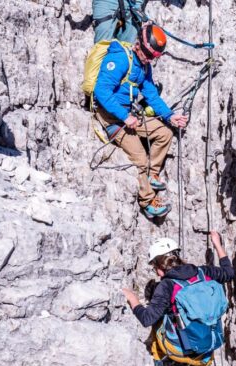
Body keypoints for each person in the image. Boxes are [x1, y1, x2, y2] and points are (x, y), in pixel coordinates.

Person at [121, 232, 234, 366]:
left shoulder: (166, 285)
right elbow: (229, 273)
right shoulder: (203, 273)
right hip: (205, 347)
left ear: (159, 267)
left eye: (155, 267)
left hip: (176, 350)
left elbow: (147, 318)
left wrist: (133, 300)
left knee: (160, 318)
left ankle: (157, 357)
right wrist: (217, 245)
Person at [93, 22, 188, 219]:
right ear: (138, 45)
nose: (150, 59)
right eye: (149, 54)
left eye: (154, 57)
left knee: (165, 133)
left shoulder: (144, 68)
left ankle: (152, 175)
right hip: (112, 118)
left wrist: (170, 116)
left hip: (129, 115)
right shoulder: (120, 59)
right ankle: (147, 201)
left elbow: (151, 95)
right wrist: (124, 117)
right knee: (140, 158)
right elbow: (101, 91)